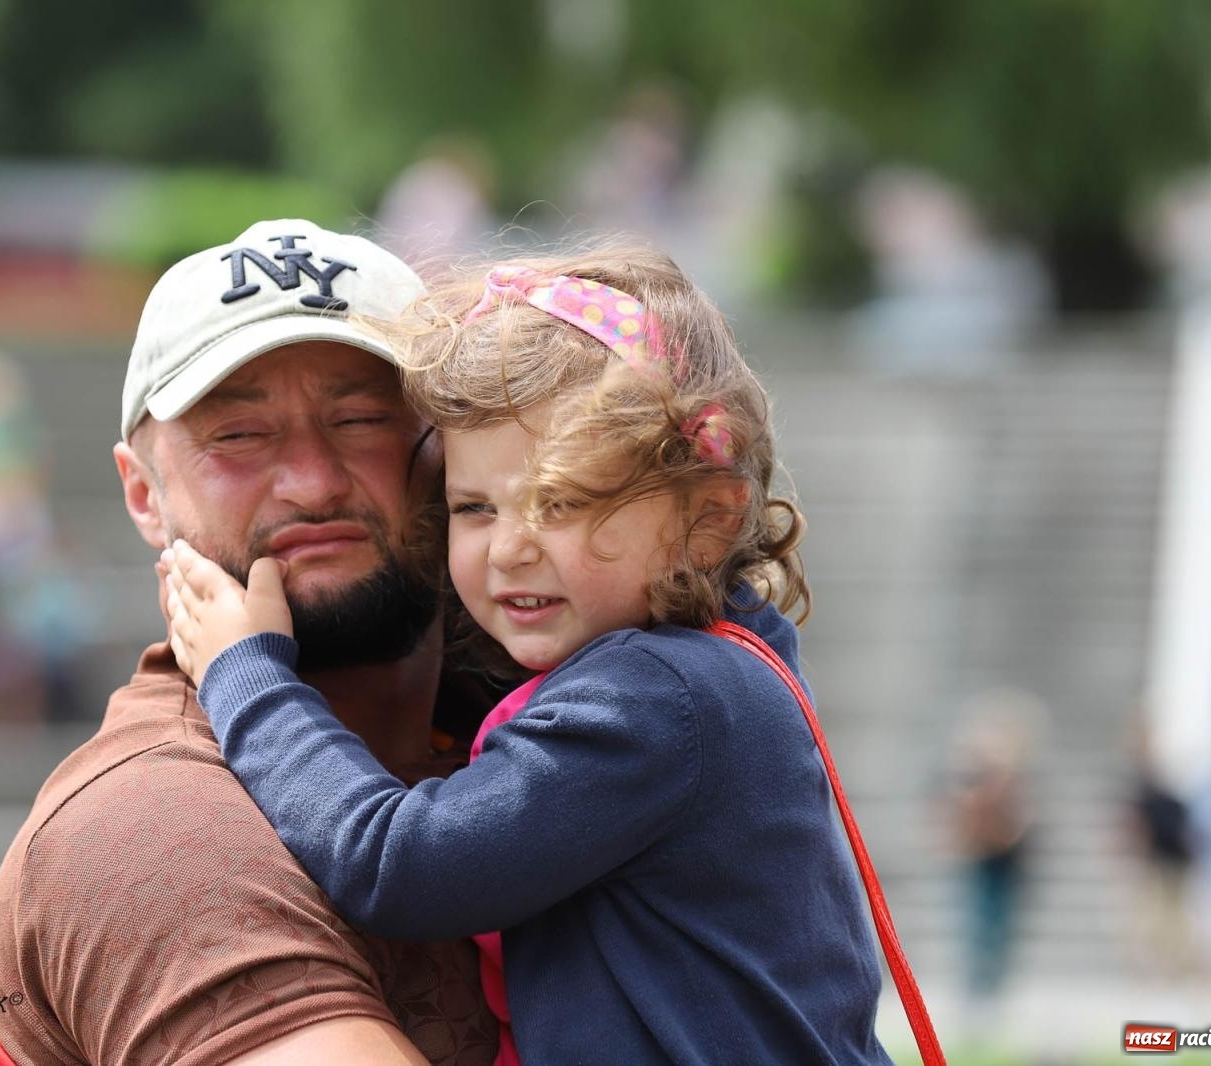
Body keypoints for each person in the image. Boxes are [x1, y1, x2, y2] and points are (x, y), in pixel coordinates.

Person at [164, 248, 897, 1064]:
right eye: (473, 506)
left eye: (563, 501)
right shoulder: (711, 667)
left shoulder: (653, 703)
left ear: (708, 522)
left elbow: (400, 864)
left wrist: (248, 676)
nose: (509, 549)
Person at [0, 220, 500, 1065]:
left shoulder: (538, 719)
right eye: (239, 436)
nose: (314, 481)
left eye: (363, 418)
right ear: (144, 495)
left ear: (452, 452)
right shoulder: (147, 829)